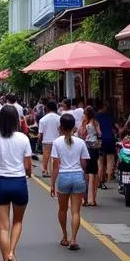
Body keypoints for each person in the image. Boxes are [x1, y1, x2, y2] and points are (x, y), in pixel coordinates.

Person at [0, 104, 32, 261]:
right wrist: (27, 174)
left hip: (0, 183)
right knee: (17, 222)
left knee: (2, 227)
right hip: (19, 182)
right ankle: (12, 253)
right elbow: (28, 165)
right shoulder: (23, 138)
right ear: (16, 120)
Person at [49, 113, 88, 250]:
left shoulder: (57, 142)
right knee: (76, 212)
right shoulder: (81, 142)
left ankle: (65, 236)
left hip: (64, 178)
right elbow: (84, 163)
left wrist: (52, 183)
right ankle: (74, 239)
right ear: (74, 127)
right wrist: (83, 175)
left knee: (62, 209)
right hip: (77, 176)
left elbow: (55, 165)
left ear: (60, 127)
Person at [80, 105, 101, 206]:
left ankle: (86, 198)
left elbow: (82, 134)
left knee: (87, 173)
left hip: (87, 147)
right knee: (94, 172)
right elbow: (100, 134)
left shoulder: (86, 123)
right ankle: (93, 199)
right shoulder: (95, 122)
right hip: (95, 147)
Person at [95, 101, 118, 187]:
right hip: (110, 139)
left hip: (99, 140)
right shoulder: (109, 116)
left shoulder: (95, 117)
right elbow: (116, 128)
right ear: (103, 107)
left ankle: (100, 178)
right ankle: (109, 177)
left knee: (100, 160)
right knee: (110, 158)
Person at [37, 100, 61, 178]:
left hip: (46, 141)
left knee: (46, 157)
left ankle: (45, 171)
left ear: (47, 108)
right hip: (57, 140)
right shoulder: (59, 118)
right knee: (55, 157)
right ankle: (54, 171)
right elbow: (61, 130)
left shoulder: (43, 119)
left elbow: (40, 133)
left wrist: (38, 142)